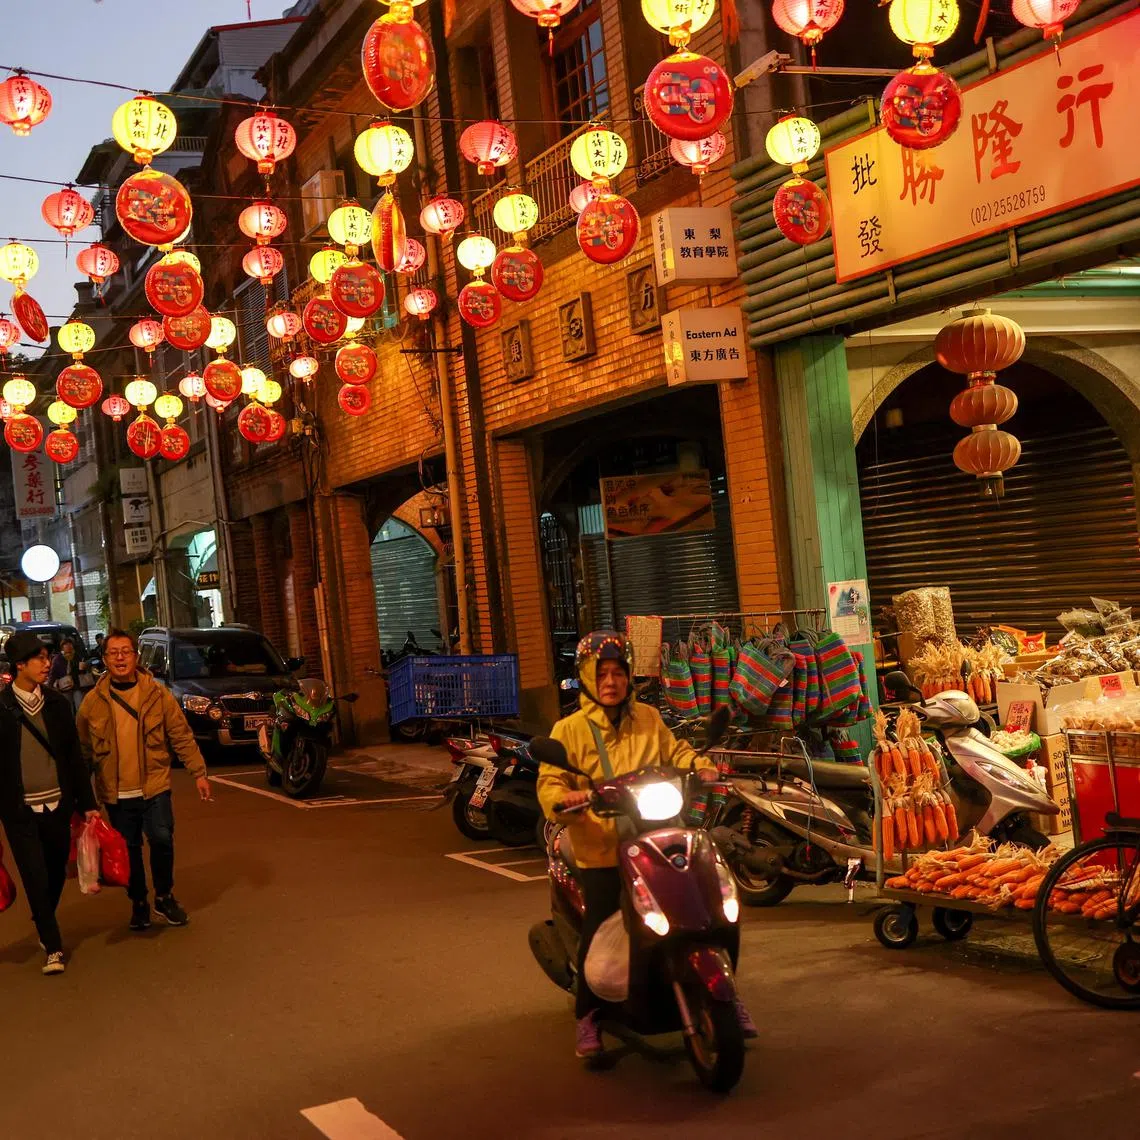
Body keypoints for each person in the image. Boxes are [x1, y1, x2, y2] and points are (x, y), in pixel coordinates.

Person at [537, 630, 757, 1058]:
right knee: (601, 929)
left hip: (653, 834)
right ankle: (590, 1015)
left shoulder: (648, 718)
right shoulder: (570, 730)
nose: (611, 681)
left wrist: (702, 764)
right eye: (601, 673)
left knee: (713, 906)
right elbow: (550, 781)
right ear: (586, 677)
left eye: (618, 672)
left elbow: (675, 752)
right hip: (600, 847)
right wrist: (565, 800)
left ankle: (726, 989)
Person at [77, 629, 212, 931]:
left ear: (136, 657)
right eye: (114, 653)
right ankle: (138, 902)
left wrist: (198, 772)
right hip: (117, 792)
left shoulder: (156, 693)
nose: (121, 657)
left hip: (154, 785)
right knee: (130, 851)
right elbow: (82, 751)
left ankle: (164, 896)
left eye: (126, 651)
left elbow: (180, 734)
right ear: (105, 659)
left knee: (162, 839)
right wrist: (81, 796)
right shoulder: (92, 703)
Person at [0, 632, 100, 975]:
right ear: (20, 666)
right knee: (34, 875)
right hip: (20, 812)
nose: (47, 664)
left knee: (56, 871)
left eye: (47, 657)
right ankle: (53, 945)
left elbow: (73, 756)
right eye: (39, 659)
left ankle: (43, 916)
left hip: (58, 804)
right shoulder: (1, 708)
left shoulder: (57, 704)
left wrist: (87, 803)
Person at [48, 638, 89, 713]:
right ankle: (70, 722)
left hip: (77, 686)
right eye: (67, 650)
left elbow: (83, 673)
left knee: (80, 706)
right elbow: (53, 674)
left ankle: (79, 722)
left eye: (71, 649)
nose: (69, 652)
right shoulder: (57, 659)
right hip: (64, 687)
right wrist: (49, 687)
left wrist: (83, 668)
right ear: (62, 649)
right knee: (67, 707)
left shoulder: (77, 656)